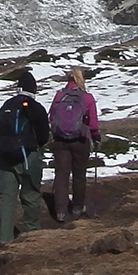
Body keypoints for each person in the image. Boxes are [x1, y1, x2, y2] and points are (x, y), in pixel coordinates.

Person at [0, 69, 50, 244]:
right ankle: (32, 233)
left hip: (5, 158)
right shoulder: (36, 108)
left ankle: (4, 237)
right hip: (28, 156)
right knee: (30, 194)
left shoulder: (7, 105)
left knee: (7, 196)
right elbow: (44, 135)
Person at [46, 67, 101, 220]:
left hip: (60, 141)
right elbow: (94, 124)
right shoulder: (87, 98)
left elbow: (51, 118)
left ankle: (60, 211)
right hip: (80, 141)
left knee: (62, 175)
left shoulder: (59, 95)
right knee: (79, 175)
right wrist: (95, 137)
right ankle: (77, 207)